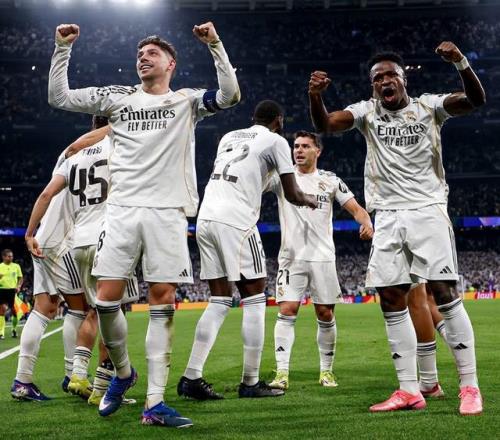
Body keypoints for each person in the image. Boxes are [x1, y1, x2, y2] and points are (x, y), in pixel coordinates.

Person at [48, 21, 240, 427]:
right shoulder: (119, 99)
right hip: (121, 210)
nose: (143, 58)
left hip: (167, 212)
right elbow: (59, 96)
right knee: (105, 301)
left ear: (170, 64)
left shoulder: (186, 101)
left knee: (161, 301)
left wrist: (215, 44)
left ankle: (155, 403)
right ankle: (122, 372)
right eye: (139, 54)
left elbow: (230, 95)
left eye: (152, 53)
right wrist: (63, 48)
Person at [309, 41, 485, 415]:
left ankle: (469, 386)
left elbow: (475, 100)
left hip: (427, 210)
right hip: (387, 215)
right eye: (378, 78)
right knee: (391, 297)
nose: (385, 81)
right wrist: (315, 97)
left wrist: (461, 63)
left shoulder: (429, 107)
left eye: (391, 75)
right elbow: (325, 124)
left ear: (404, 79)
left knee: (444, 292)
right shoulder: (366, 113)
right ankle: (409, 389)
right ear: (372, 85)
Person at [177, 101, 318, 400]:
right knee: (254, 298)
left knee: (219, 300)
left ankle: (191, 377)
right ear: (279, 121)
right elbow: (292, 193)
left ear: (253, 117)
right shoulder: (276, 141)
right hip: (236, 222)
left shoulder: (229, 136)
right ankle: (250, 382)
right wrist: (309, 200)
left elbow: (245, 174)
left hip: (206, 218)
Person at [265, 130, 373, 390]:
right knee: (287, 310)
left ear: (318, 151)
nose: (298, 151)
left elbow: (356, 208)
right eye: (296, 146)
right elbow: (251, 185)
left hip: (322, 258)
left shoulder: (330, 180)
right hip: (291, 257)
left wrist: (367, 223)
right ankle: (281, 373)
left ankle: (326, 371)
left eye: (305, 146)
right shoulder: (282, 178)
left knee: (325, 313)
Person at [10, 130, 103, 401]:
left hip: (43, 238)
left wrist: (30, 234)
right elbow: (46, 194)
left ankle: (22, 381)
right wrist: (117, 123)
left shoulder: (69, 154)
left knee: (45, 308)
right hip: (61, 242)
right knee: (81, 309)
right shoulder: (90, 154)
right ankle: (72, 375)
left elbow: (46, 195)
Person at [0, 249, 23, 339]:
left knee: (14, 311)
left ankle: (14, 329)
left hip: (12, 291)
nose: (11, 258)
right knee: (1, 310)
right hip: (1, 290)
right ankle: (1, 332)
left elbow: (20, 278)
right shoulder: (0, 266)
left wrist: (19, 286)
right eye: (9, 256)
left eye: (12, 256)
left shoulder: (16, 266)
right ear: (4, 257)